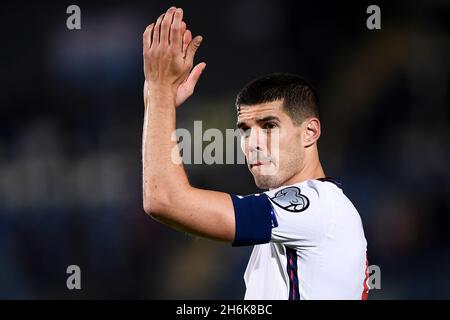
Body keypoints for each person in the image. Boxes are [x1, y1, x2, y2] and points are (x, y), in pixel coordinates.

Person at [142, 7, 369, 300]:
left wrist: (159, 93)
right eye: (245, 129)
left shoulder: (318, 205)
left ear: (310, 132)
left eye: (269, 126)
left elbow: (164, 200)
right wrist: (157, 100)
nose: (253, 142)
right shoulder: (295, 221)